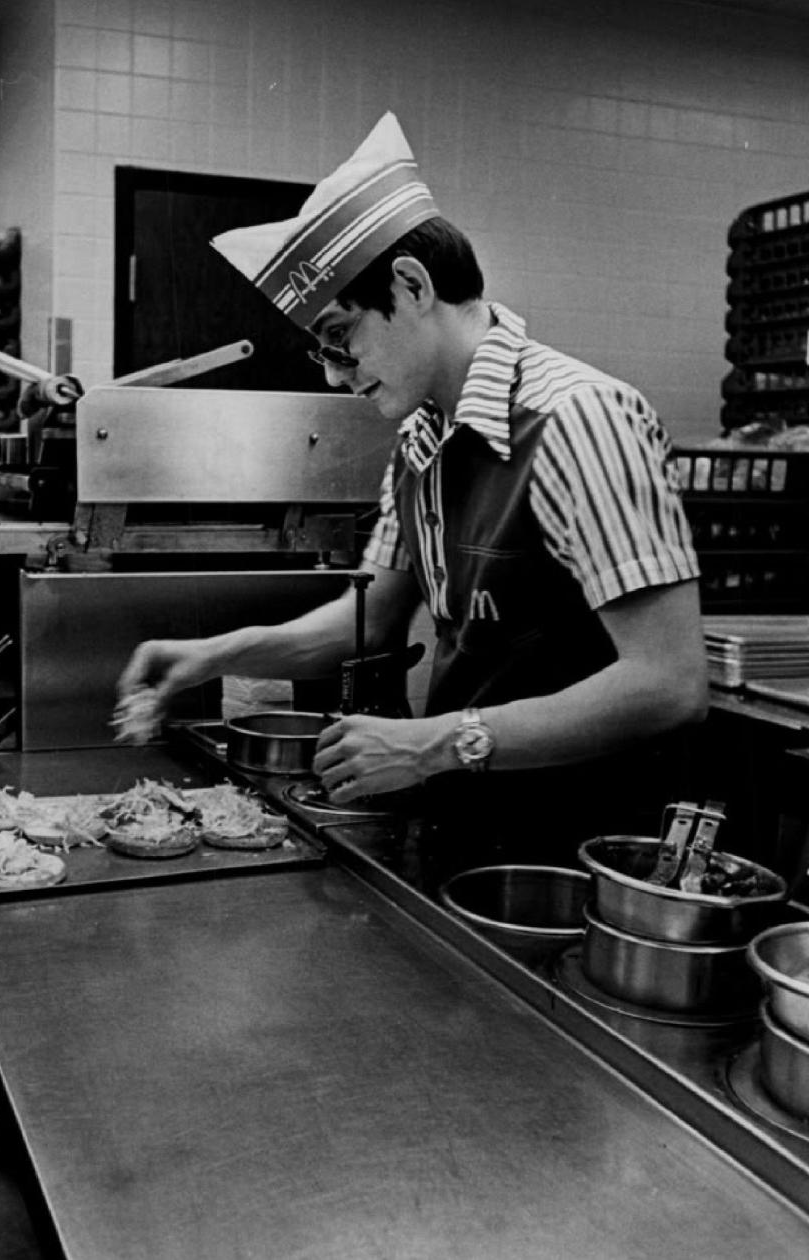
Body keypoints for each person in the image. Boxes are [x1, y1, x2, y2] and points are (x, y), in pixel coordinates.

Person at [116, 113, 708, 860]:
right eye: (321, 354)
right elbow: (366, 622)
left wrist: (432, 744)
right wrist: (214, 653)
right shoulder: (422, 441)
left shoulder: (577, 419)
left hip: (585, 845)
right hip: (478, 825)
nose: (337, 372)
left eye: (342, 337)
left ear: (412, 284)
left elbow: (669, 684)